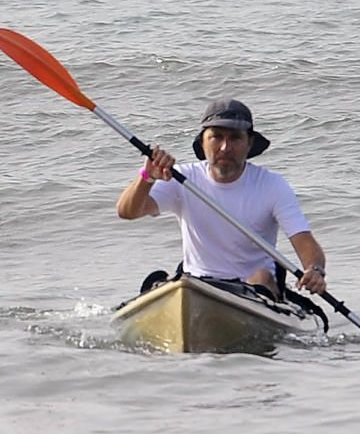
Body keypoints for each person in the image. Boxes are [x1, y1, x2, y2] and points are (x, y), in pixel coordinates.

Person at [115, 98, 327, 299]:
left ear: (249, 143)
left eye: (235, 138)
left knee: (261, 277)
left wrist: (315, 270)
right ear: (203, 142)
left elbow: (304, 240)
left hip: (255, 286)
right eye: (217, 137)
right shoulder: (181, 178)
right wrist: (147, 178)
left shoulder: (272, 186)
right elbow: (127, 212)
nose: (225, 147)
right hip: (198, 283)